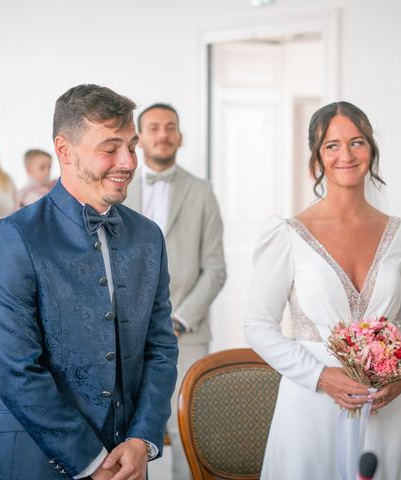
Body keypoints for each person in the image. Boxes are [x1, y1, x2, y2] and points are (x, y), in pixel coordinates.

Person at [0, 84, 178, 480]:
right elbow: (17, 370)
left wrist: (141, 441)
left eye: (132, 146)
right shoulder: (13, 238)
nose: (129, 162)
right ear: (64, 150)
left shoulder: (148, 237)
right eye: (110, 147)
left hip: (128, 463)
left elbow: (161, 347)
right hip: (38, 462)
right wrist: (91, 462)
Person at [244, 101, 401, 480]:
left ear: (371, 152)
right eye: (332, 145)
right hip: (310, 406)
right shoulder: (286, 235)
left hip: (384, 407)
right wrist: (320, 376)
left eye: (357, 142)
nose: (346, 154)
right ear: (316, 160)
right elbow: (257, 325)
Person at [123, 103, 226, 480]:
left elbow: (215, 268)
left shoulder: (202, 192)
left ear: (180, 136)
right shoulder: (118, 185)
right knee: (130, 436)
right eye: (154, 128)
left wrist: (179, 320)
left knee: (187, 432)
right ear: (139, 137)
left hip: (188, 335)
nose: (163, 134)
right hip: (124, 335)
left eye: (170, 127)